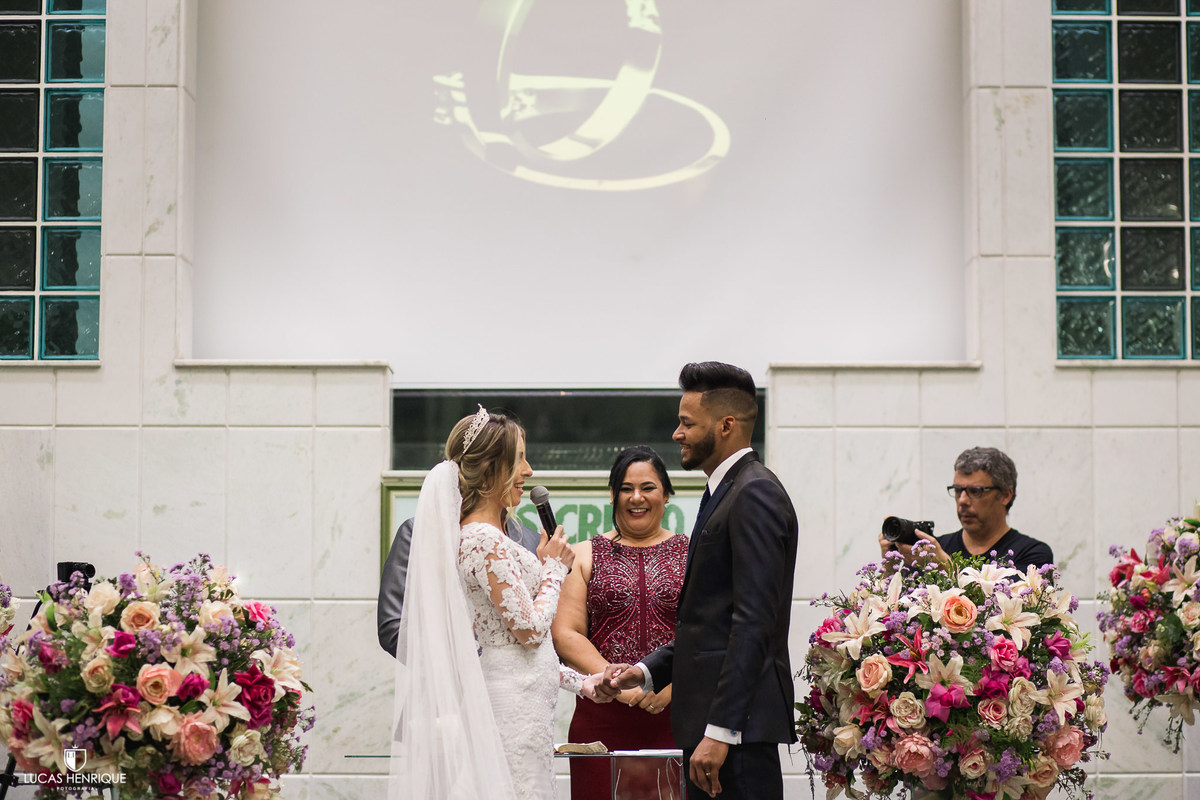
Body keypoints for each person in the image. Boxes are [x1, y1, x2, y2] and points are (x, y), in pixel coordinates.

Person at [389, 405, 611, 800]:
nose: (529, 471)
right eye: (520, 458)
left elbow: (521, 651)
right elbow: (529, 632)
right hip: (512, 711)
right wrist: (554, 570)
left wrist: (584, 683)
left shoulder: (495, 538)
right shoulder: (481, 539)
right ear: (494, 469)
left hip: (527, 708)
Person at [600, 362, 799, 800]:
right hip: (715, 731)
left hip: (735, 736)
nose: (677, 433)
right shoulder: (723, 492)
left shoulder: (755, 492)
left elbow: (753, 623)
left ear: (726, 425)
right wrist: (644, 671)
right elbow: (708, 624)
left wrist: (721, 731)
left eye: (687, 423)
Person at [552, 445, 689, 800]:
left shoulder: (694, 555)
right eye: (626, 488)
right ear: (612, 495)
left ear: (666, 495)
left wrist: (670, 685)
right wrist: (620, 685)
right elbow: (566, 634)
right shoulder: (583, 554)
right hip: (602, 713)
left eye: (648, 487)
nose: (636, 497)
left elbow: (708, 633)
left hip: (677, 712)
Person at [376, 514, 539, 657]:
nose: (527, 480)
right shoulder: (420, 532)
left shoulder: (534, 541)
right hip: (454, 681)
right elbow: (394, 628)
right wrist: (472, 667)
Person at [877, 446, 1053, 573]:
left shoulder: (1033, 554)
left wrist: (946, 567)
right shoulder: (934, 550)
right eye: (957, 490)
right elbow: (899, 611)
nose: (962, 500)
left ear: (1006, 495)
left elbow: (1008, 606)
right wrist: (889, 568)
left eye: (975, 491)